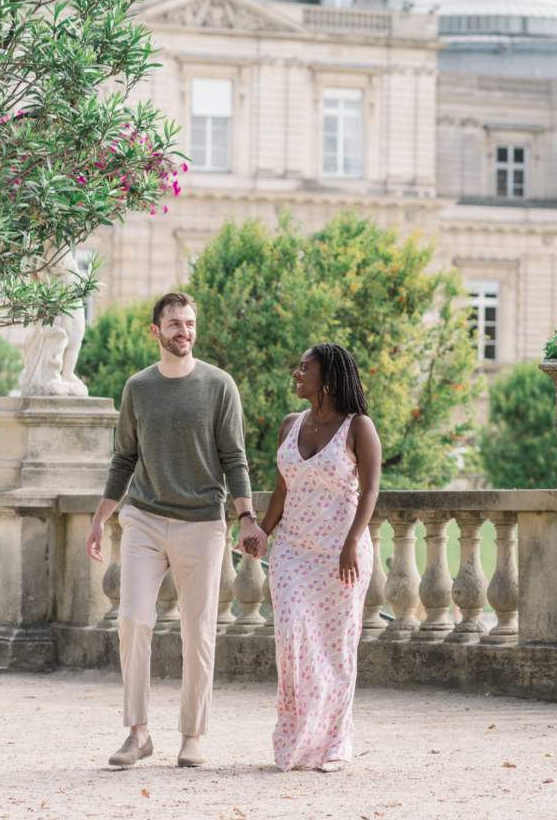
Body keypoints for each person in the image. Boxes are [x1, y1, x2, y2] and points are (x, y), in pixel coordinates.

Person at [85, 292, 267, 769]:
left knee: (198, 632)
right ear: (156, 331)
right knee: (132, 621)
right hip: (143, 517)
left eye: (189, 323)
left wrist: (246, 516)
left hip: (203, 522)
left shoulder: (219, 385)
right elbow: (123, 458)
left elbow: (235, 458)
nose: (183, 331)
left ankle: (191, 736)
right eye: (173, 324)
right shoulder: (137, 389)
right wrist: (101, 517)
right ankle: (138, 733)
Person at [257, 343, 381, 772]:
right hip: (292, 551)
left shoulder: (358, 427)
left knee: (336, 649)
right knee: (293, 640)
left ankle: (335, 743)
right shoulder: (290, 425)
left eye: (304, 368)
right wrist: (261, 530)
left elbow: (370, 491)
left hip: (340, 555)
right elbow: (281, 489)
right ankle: (296, 737)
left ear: (327, 377)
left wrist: (351, 542)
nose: (296, 373)